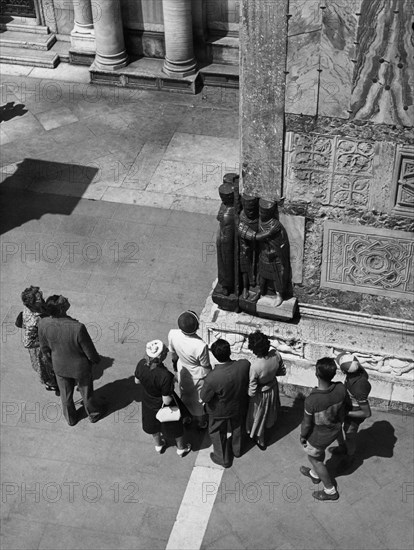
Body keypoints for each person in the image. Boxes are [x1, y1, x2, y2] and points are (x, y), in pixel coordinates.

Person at [38, 295, 102, 426]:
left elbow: (44, 349)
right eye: (64, 300)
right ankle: (93, 414)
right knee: (86, 392)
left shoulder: (43, 324)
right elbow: (89, 350)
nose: (66, 298)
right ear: (61, 309)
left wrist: (52, 364)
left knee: (65, 395)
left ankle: (70, 419)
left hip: (59, 366)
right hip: (80, 368)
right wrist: (95, 360)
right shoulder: (77, 327)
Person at [299, 357, 348, 501]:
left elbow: (307, 424)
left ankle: (330, 490)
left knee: (316, 460)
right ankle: (315, 475)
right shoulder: (340, 388)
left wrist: (303, 436)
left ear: (316, 373)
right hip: (334, 429)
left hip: (318, 437)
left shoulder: (311, 401)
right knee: (318, 457)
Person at [134, 340, 191, 457]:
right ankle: (181, 448)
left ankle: (159, 445)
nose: (167, 352)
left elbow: (137, 380)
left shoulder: (141, 364)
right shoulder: (165, 375)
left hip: (147, 400)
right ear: (160, 356)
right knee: (174, 426)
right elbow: (167, 400)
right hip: (161, 403)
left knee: (153, 425)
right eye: (165, 351)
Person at [200, 339, 250, 468]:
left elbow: (204, 397)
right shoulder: (244, 365)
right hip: (239, 405)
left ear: (215, 356)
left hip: (219, 411)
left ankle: (222, 458)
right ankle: (237, 450)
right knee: (238, 427)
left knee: (217, 432)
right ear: (229, 351)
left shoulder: (212, 377)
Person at [168, 311, 211, 429]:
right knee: (198, 401)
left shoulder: (172, 334)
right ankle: (201, 423)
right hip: (197, 374)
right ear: (196, 327)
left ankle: (186, 418)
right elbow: (206, 365)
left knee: (184, 395)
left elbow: (173, 355)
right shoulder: (200, 345)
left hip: (182, 369)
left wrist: (176, 370)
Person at [331, 352, 372, 471]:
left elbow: (366, 413)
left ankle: (350, 456)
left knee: (350, 435)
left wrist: (345, 413)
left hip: (354, 413)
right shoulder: (359, 370)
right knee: (338, 427)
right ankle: (342, 447)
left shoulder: (359, 388)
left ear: (344, 372)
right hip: (347, 406)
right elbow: (341, 356)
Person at [246, 331, 286, 450]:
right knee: (269, 412)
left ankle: (260, 440)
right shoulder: (276, 354)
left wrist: (248, 394)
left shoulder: (255, 366)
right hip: (273, 387)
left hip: (261, 394)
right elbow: (282, 371)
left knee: (258, 417)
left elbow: (252, 390)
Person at [19, 286, 59, 395]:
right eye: (38, 298)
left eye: (40, 295)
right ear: (31, 304)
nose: (41, 298)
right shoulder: (33, 320)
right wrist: (44, 343)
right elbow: (27, 342)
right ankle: (52, 384)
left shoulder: (37, 306)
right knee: (48, 368)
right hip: (42, 349)